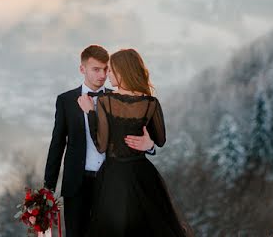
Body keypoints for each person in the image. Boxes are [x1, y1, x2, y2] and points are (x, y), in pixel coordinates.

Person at [77, 48, 195, 237]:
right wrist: (149, 145)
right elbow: (161, 140)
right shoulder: (150, 103)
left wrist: (90, 112)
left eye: (112, 70)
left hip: (114, 177)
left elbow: (101, 144)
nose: (108, 75)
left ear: (123, 71)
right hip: (143, 175)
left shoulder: (106, 101)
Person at [44, 45, 157, 237]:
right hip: (75, 185)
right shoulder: (66, 100)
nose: (103, 75)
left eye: (106, 69)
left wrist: (151, 147)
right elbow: (57, 145)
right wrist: (47, 189)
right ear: (82, 69)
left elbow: (141, 137)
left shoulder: (120, 99)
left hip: (111, 182)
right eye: (96, 69)